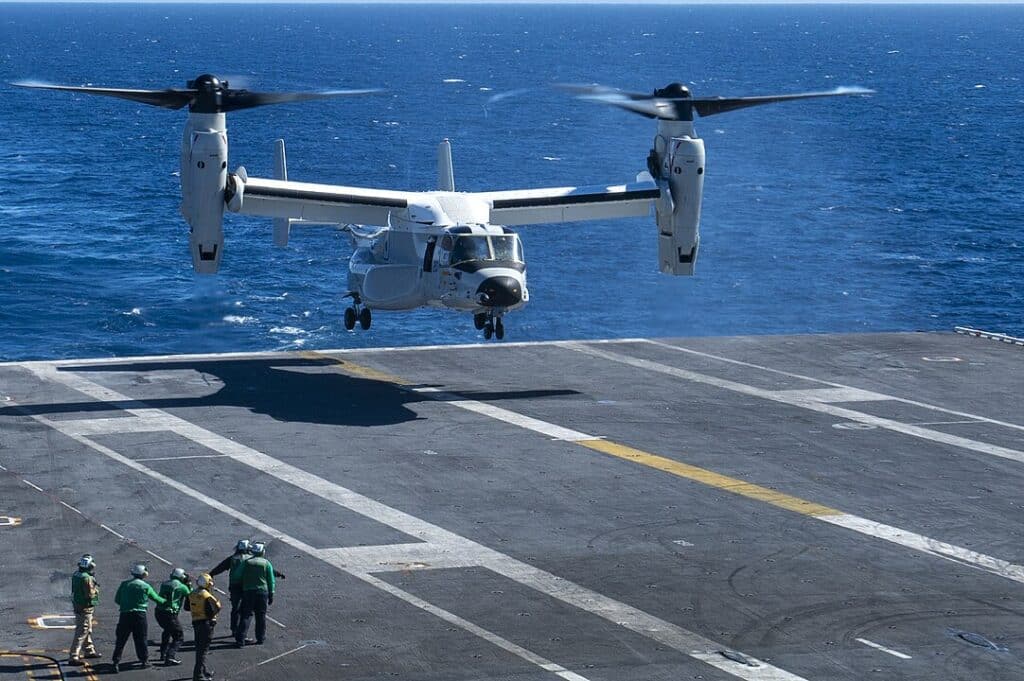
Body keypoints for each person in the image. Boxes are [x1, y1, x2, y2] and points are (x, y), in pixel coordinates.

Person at [111, 563, 166, 673]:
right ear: (144, 574)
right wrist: (165, 600)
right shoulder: (145, 586)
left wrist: (126, 604)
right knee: (141, 639)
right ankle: (144, 660)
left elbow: (117, 600)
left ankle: (116, 662)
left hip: (125, 615)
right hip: (139, 616)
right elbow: (157, 599)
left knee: (121, 640)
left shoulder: (124, 584)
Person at [234, 542, 275, 647]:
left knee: (246, 615)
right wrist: (271, 594)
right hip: (262, 593)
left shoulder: (246, 562)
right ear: (262, 552)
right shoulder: (266, 563)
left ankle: (240, 639)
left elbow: (237, 575)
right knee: (261, 616)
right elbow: (271, 580)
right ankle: (260, 638)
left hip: (248, 592)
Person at [209, 539, 251, 637]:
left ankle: (234, 629)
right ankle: (242, 632)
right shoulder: (250, 559)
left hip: (234, 586)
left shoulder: (232, 559)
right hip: (246, 586)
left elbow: (221, 567)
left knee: (235, 608)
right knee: (246, 609)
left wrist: (211, 574)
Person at [69, 554, 102, 665]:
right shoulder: (87, 578)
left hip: (77, 604)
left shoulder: (76, 574)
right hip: (85, 606)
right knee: (82, 630)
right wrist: (96, 589)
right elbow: (90, 594)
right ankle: (74, 656)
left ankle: (89, 650)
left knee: (87, 628)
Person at [155, 568, 191, 666]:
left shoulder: (164, 584)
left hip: (159, 612)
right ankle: (170, 657)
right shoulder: (182, 587)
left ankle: (163, 653)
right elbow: (191, 596)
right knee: (179, 637)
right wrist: (189, 585)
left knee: (167, 630)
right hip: (170, 614)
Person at [189, 573, 221, 681]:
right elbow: (212, 611)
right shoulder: (207, 596)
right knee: (203, 651)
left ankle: (203, 671)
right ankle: (198, 675)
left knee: (199, 649)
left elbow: (187, 607)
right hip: (206, 625)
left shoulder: (192, 593)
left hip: (196, 623)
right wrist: (217, 604)